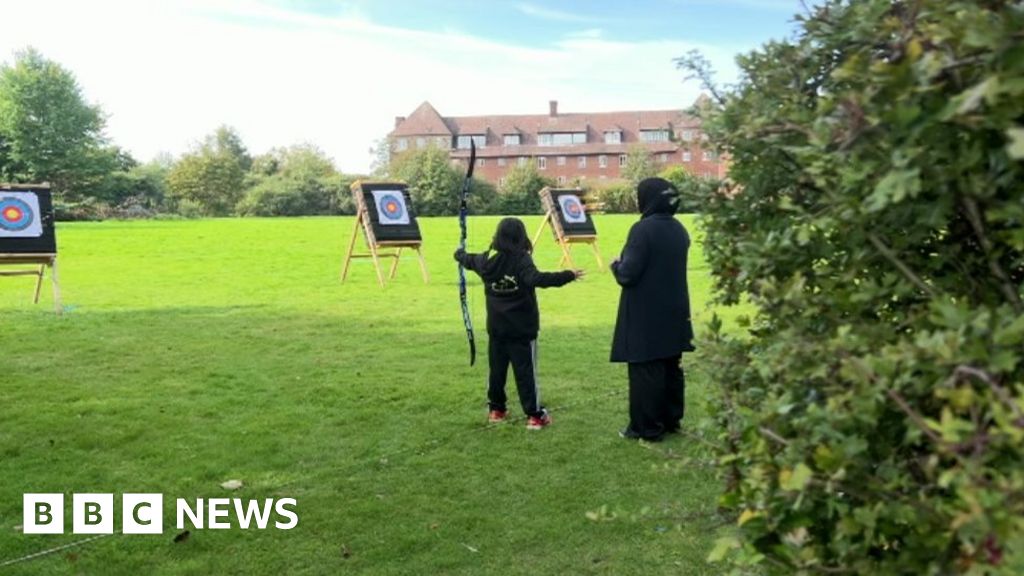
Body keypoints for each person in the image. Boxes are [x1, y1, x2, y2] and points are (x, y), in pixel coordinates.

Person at [454, 217, 583, 430]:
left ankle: (496, 410)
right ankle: (534, 416)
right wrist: (568, 275)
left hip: (497, 329)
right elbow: (537, 279)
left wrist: (459, 253)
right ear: (520, 236)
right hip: (521, 330)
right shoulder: (521, 259)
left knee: (497, 371)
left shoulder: (487, 259)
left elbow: (468, 259)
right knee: (525, 373)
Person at [610, 177, 695, 442]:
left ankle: (646, 427)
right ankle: (671, 419)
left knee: (645, 368)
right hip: (674, 308)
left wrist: (616, 265)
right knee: (671, 365)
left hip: (646, 311)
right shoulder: (679, 229)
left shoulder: (642, 229)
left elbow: (628, 274)